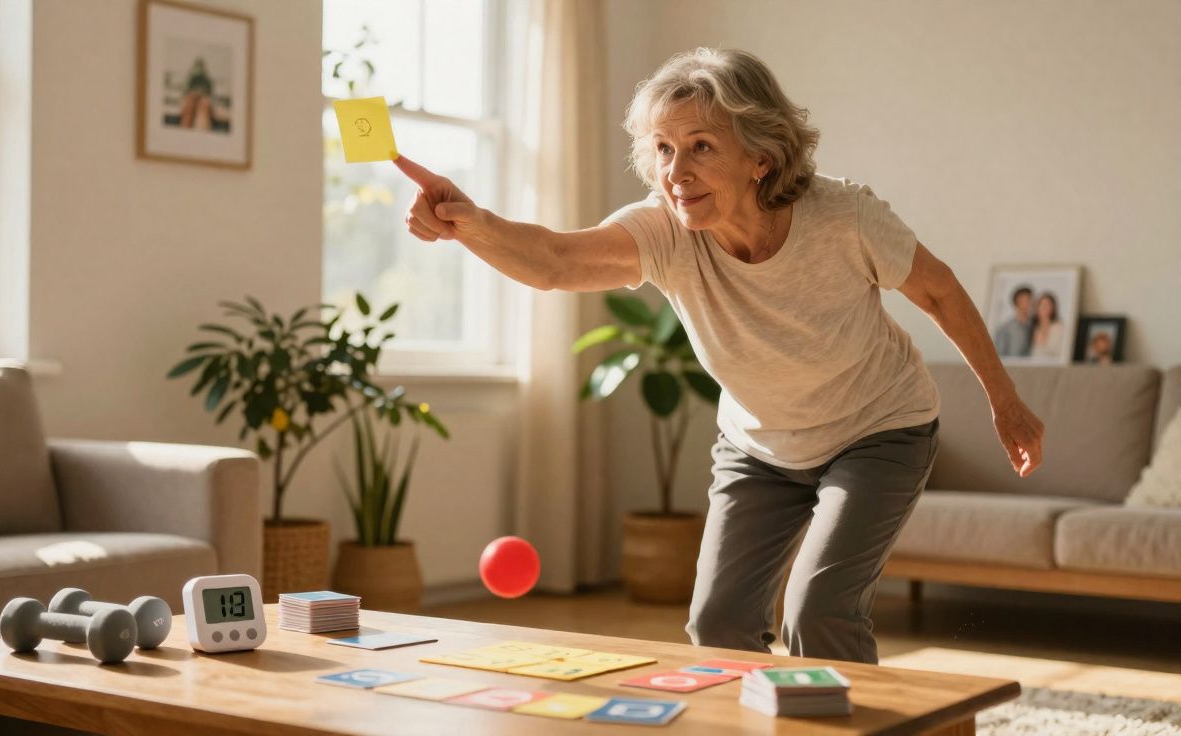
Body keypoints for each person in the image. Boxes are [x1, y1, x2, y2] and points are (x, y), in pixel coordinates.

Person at [392, 48, 1043, 664]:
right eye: (664, 148)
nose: (676, 172)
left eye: (701, 147)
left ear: (761, 157)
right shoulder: (665, 231)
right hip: (760, 447)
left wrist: (1006, 402)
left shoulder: (845, 217)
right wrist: (470, 224)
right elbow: (555, 262)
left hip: (878, 431)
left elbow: (939, 290)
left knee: (820, 613)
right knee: (718, 624)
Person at [992, 286, 1034, 357]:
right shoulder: (1004, 329)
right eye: (1026, 301)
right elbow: (999, 355)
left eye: (1030, 300)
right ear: (1017, 302)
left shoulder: (1034, 326)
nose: (1029, 304)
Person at [1029, 292, 1064, 360]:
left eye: (1048, 304)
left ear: (1053, 308)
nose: (1044, 307)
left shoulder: (1059, 327)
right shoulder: (1031, 328)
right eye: (1041, 304)